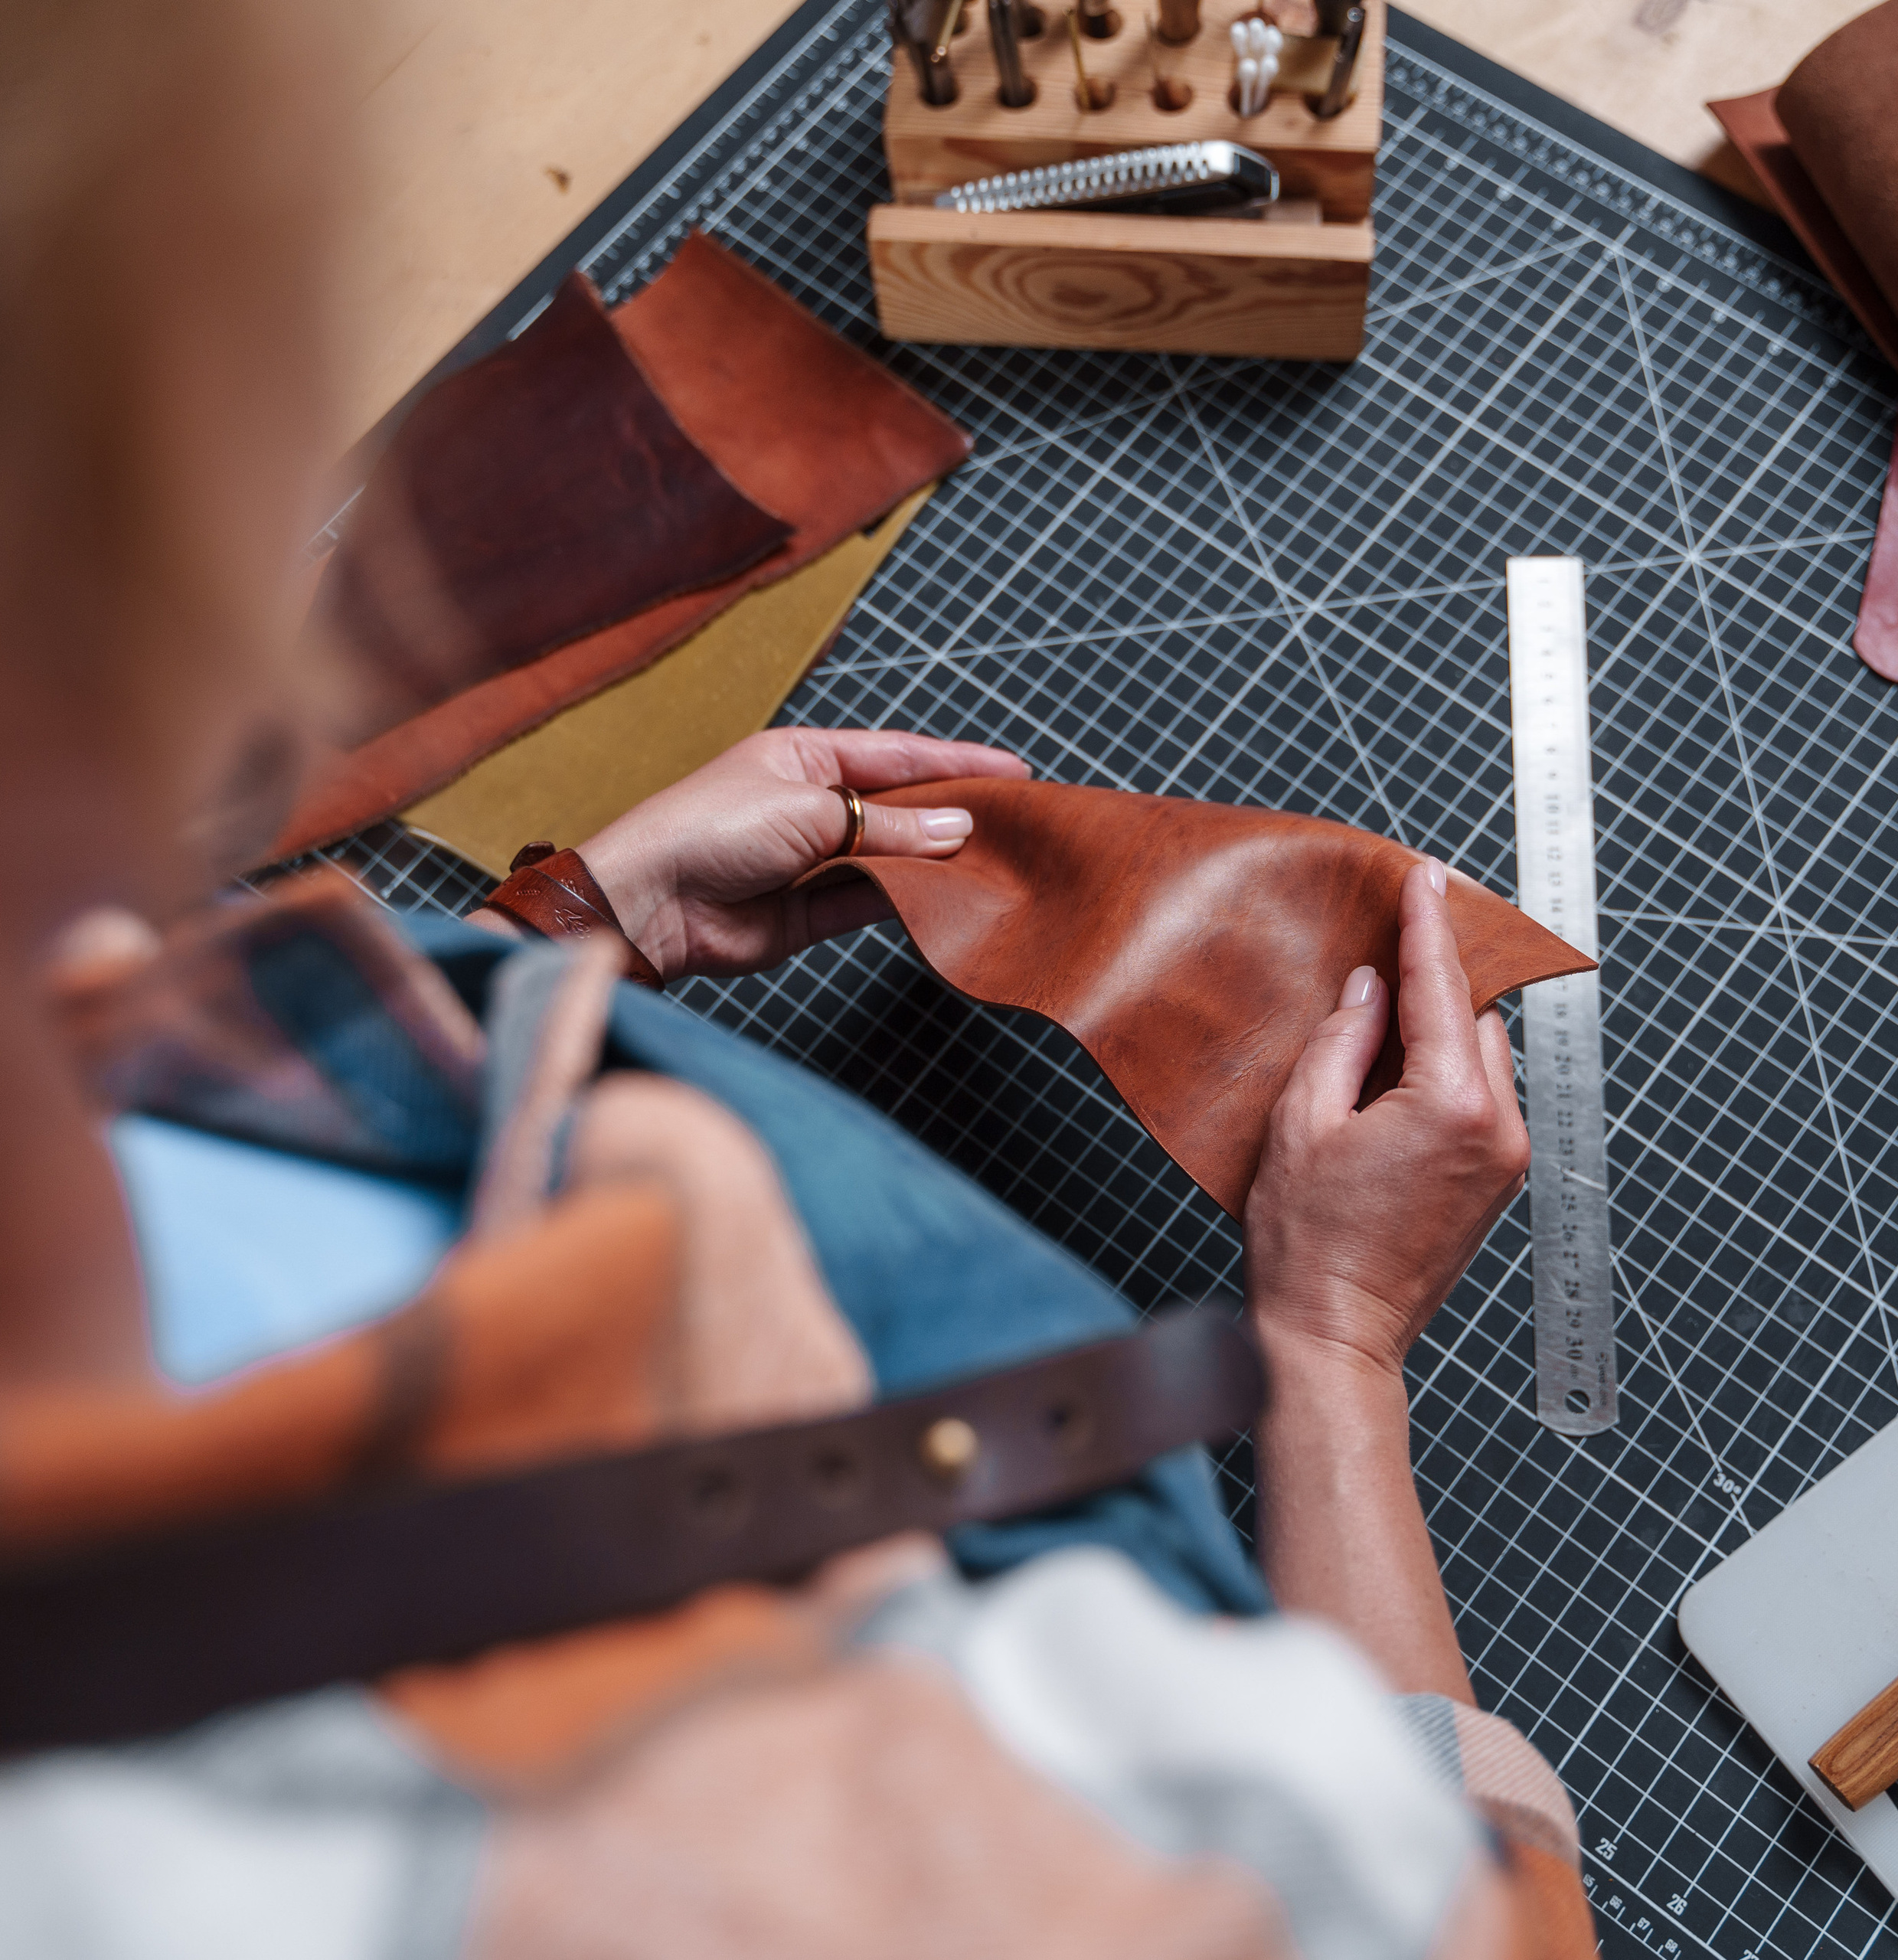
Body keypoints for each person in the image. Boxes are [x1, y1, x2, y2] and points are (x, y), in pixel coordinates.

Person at [0, 1, 1595, 1955]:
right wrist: (1330, 1344)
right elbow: (1462, 1918)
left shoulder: (91, 1049)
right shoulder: (696, 1848)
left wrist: (574, 929)